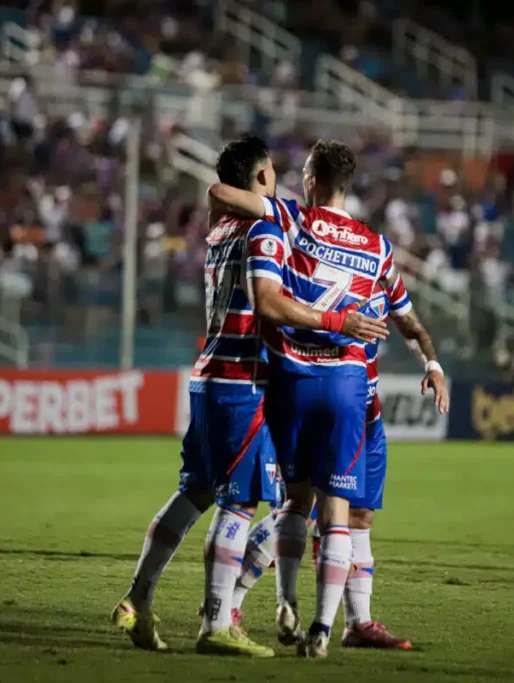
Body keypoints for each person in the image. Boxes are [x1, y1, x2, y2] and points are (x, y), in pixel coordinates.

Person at [110, 135, 387, 656]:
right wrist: (337, 320)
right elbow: (269, 303)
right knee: (238, 503)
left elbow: (219, 198)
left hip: (207, 373)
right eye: (274, 173)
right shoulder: (267, 228)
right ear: (261, 179)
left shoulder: (219, 232)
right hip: (243, 381)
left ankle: (138, 598)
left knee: (195, 492)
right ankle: (217, 624)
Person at [208, 139, 429, 659]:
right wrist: (431, 363)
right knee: (334, 511)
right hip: (350, 391)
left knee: (312, 507)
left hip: (296, 381)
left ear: (310, 180)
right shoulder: (376, 248)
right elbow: (409, 320)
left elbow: (220, 193)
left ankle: (325, 612)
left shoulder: (291, 221)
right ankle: (318, 626)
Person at [230, 278, 450, 650]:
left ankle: (357, 622)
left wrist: (433, 365)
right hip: (319, 407)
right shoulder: (310, 272)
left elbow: (412, 327)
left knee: (359, 516)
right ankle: (227, 603)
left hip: (365, 416)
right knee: (307, 509)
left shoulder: (378, 273)